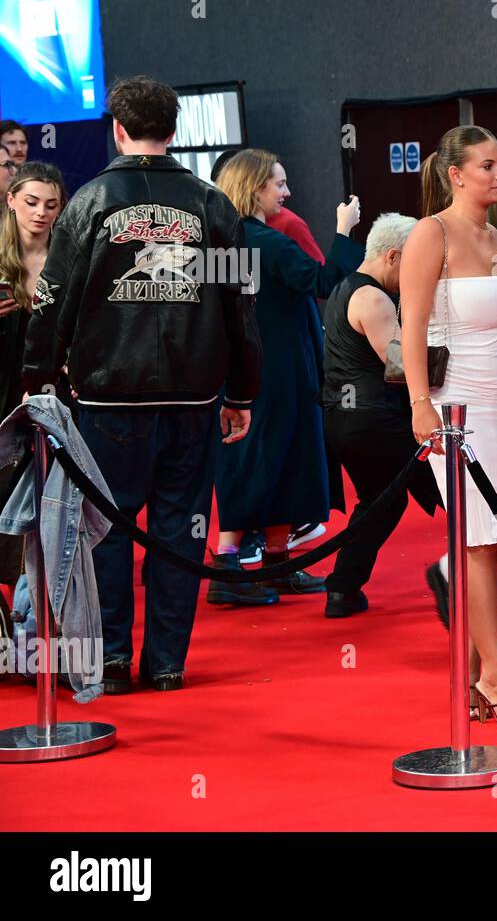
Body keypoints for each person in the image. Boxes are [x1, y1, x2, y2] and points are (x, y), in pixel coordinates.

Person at [22, 75, 263, 693]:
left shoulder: (91, 202)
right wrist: (242, 392)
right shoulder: (213, 205)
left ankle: (108, 659)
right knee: (180, 528)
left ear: (118, 129)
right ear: (175, 131)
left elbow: (53, 301)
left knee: (105, 526)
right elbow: (240, 304)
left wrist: (37, 376)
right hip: (193, 396)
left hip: (108, 398)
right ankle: (167, 663)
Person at [401, 127, 497, 730]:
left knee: (486, 545)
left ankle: (475, 674)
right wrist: (418, 403)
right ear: (455, 174)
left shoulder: (494, 234)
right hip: (457, 407)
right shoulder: (429, 233)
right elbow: (411, 326)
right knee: (478, 545)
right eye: (487, 166)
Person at [209, 149, 362, 605]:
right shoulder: (268, 242)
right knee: (279, 457)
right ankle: (233, 568)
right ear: (256, 187)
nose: (287, 192)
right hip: (284, 370)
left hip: (238, 371)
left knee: (262, 459)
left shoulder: (219, 244)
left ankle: (269, 562)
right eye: (279, 184)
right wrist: (344, 229)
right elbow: (326, 282)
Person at [320, 212, 443, 617]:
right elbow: (401, 366)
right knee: (457, 490)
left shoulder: (344, 288)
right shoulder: (372, 298)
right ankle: (478, 576)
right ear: (393, 257)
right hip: (376, 423)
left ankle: (342, 589)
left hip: (348, 422)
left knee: (381, 502)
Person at [0, 162, 67, 601]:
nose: (40, 213)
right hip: (2, 396)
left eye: (51, 205)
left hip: (51, 397)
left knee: (48, 515)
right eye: (31, 202)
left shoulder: (68, 259)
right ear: (11, 200)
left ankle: (33, 618)